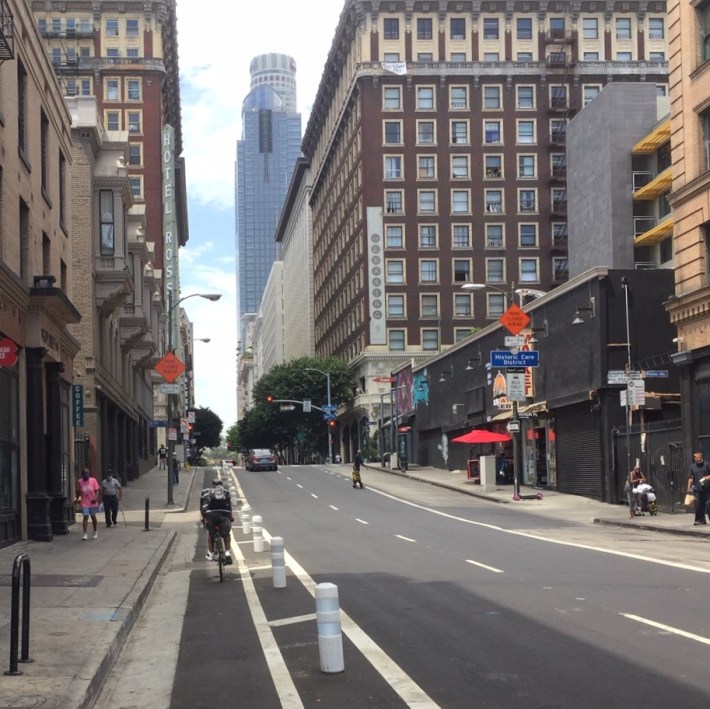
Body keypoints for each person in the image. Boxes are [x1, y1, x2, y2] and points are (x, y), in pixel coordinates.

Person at [201, 478, 234, 563]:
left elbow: (202, 507)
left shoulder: (205, 492)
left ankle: (211, 554)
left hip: (210, 515)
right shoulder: (226, 492)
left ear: (211, 485)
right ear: (221, 485)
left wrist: (203, 518)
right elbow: (229, 506)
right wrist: (231, 517)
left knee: (211, 534)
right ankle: (227, 553)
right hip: (224, 514)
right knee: (226, 535)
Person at [75, 468, 101, 540]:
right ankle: (85, 533)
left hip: (92, 501)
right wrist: (77, 498)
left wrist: (95, 498)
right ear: (82, 474)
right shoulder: (80, 481)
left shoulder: (93, 480)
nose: (86, 475)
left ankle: (95, 531)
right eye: (85, 473)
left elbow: (97, 490)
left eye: (87, 473)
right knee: (85, 517)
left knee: (93, 516)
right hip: (84, 502)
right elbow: (78, 491)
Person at [688, 451, 710, 526]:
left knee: (707, 505)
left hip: (707, 488)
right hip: (697, 488)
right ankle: (699, 520)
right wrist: (689, 488)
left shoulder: (706, 465)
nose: (699, 458)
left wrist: (708, 477)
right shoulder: (692, 466)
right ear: (694, 458)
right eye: (697, 457)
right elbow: (690, 478)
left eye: (700, 457)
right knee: (698, 505)